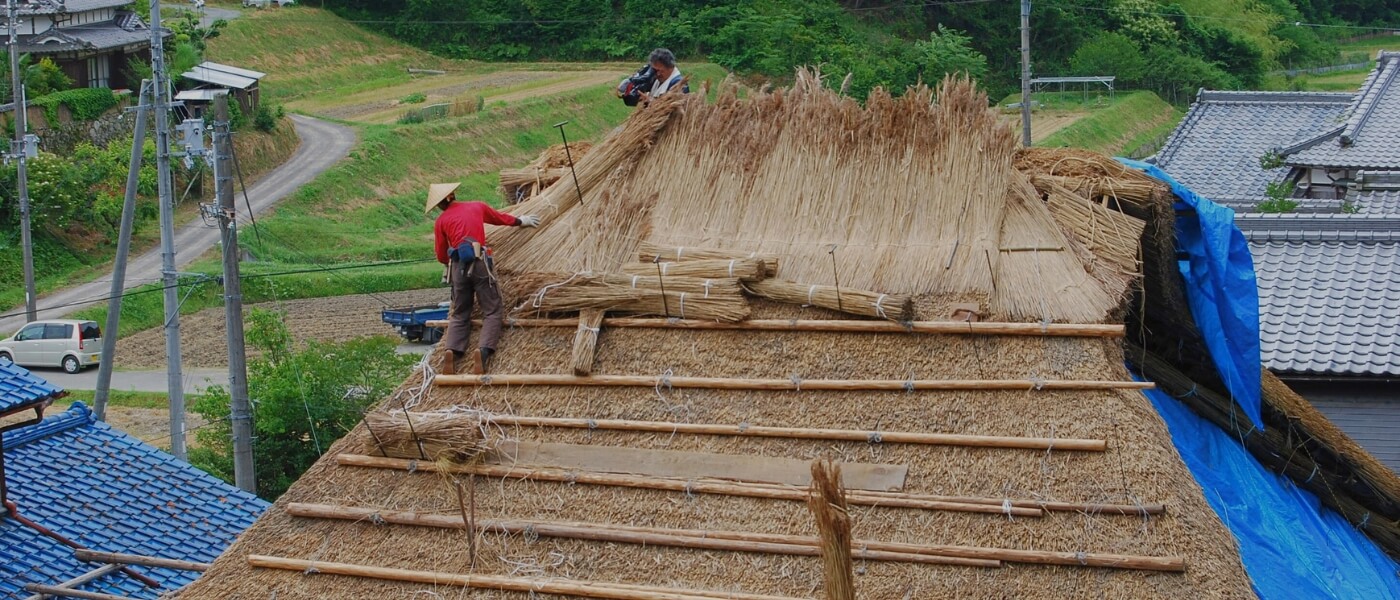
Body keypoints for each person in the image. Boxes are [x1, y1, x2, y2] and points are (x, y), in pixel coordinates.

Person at [426, 183, 539, 375]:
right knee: (492, 309)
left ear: (440, 205)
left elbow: (441, 254)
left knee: (460, 312)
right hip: (479, 264)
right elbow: (500, 218)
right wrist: (522, 220)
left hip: (458, 268)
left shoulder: (441, 221)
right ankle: (483, 351)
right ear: (453, 195)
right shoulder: (476, 207)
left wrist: (448, 262)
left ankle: (451, 351)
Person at [616, 48, 689, 106]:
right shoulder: (655, 77)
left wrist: (651, 102)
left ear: (670, 67)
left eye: (660, 71)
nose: (657, 74)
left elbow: (676, 111)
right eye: (654, 70)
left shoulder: (679, 84)